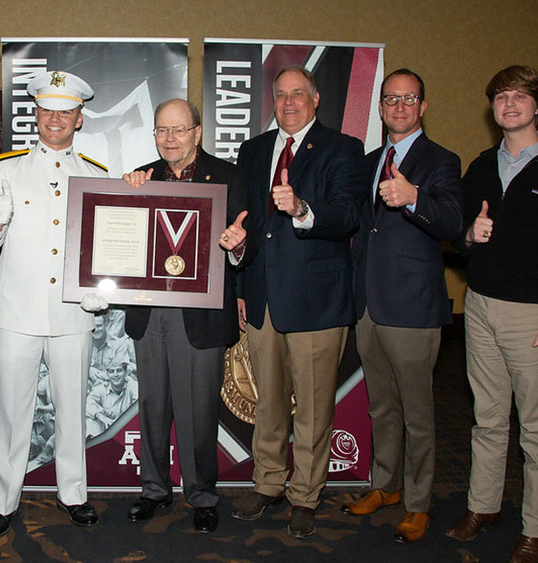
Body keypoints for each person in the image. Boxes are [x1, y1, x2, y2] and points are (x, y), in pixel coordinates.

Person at [446, 65, 538, 563]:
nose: (509, 104)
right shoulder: (482, 166)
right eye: (501, 96)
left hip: (535, 317)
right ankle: (482, 506)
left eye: (520, 96)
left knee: (536, 428)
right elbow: (460, 239)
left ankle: (537, 528)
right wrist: (470, 236)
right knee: (486, 419)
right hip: (482, 307)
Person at [230, 66, 364, 539]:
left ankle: (305, 494)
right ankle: (267, 484)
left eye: (297, 95)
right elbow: (246, 223)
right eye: (280, 95)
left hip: (317, 302)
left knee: (311, 408)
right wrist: (243, 289)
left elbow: (348, 214)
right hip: (263, 299)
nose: (288, 103)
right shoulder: (253, 150)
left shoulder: (343, 149)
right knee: (267, 402)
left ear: (316, 98)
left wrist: (303, 209)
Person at [0, 70, 107, 537]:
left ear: (79, 118)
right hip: (17, 313)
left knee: (72, 409)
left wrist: (102, 287)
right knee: (13, 413)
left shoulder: (95, 175)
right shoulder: (5, 168)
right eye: (48, 109)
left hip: (74, 313)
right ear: (36, 114)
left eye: (65, 111)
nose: (56, 118)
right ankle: (4, 499)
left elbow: (105, 249)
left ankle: (74, 492)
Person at [342, 69, 463, 543]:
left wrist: (414, 197)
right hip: (368, 305)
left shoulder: (442, 161)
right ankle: (385, 485)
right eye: (391, 99)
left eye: (409, 99)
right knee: (381, 407)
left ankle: (417, 503)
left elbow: (453, 222)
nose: (399, 107)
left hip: (412, 308)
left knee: (417, 412)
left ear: (423, 106)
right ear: (380, 107)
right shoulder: (372, 160)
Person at [120, 98, 251, 534]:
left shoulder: (229, 178)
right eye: (161, 130)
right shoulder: (141, 179)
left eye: (178, 130)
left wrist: (238, 247)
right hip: (150, 311)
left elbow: (249, 247)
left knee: (198, 410)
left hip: (201, 316)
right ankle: (154, 490)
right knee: (153, 405)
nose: (169, 138)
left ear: (197, 132)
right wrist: (124, 197)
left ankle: (202, 495)